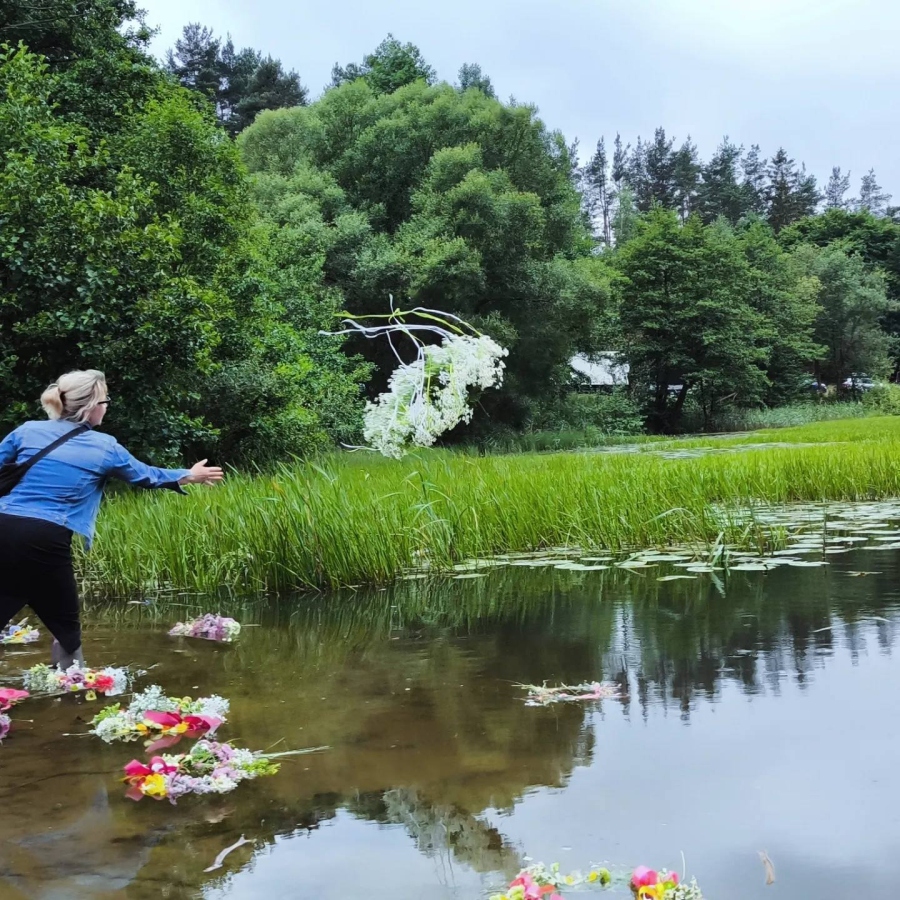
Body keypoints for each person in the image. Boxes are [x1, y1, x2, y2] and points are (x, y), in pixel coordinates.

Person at [0, 370, 223, 669]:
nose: (107, 406)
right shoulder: (105, 447)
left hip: (3, 526)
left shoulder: (27, 431)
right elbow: (147, 475)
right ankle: (74, 700)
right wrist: (189, 476)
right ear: (91, 404)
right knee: (66, 632)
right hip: (45, 536)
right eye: (105, 400)